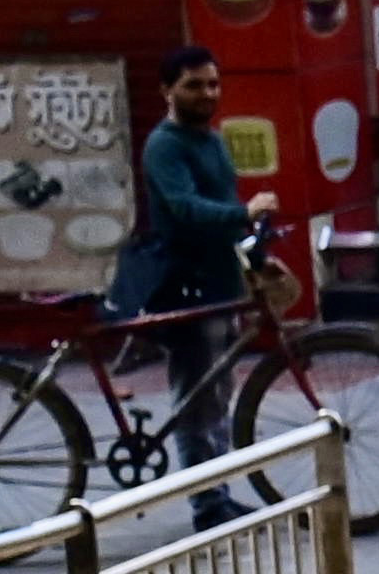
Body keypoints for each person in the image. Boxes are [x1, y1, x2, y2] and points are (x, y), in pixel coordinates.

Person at [111, 44, 266, 521]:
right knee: (196, 397)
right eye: (194, 85)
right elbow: (183, 206)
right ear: (167, 90)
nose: (207, 93)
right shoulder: (166, 145)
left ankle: (216, 489)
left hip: (220, 280)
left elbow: (220, 204)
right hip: (187, 283)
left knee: (217, 394)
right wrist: (243, 213)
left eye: (213, 84)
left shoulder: (211, 140)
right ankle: (207, 503)